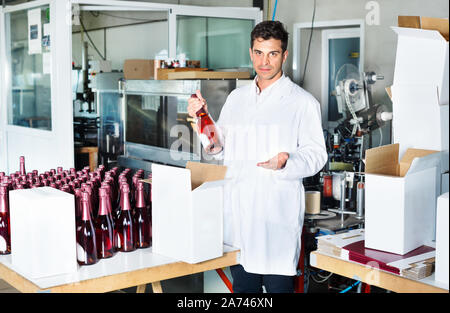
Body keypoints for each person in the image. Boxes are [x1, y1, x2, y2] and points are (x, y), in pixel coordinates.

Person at [187, 20, 327, 293]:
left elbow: (316, 155)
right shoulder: (236, 98)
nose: (265, 61)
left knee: (278, 288)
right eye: (259, 53)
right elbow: (218, 148)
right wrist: (202, 119)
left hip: (275, 216)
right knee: (243, 290)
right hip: (238, 216)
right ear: (251, 53)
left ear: (284, 55)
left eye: (273, 53)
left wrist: (286, 162)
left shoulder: (303, 103)